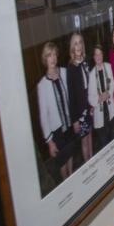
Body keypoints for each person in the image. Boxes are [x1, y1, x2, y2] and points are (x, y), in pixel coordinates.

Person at [36, 41, 74, 180]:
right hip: (56, 131)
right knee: (61, 162)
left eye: (54, 55)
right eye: (49, 55)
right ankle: (67, 182)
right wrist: (49, 142)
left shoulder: (64, 72)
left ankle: (72, 176)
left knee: (70, 154)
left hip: (69, 125)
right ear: (45, 59)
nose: (52, 58)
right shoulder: (42, 85)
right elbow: (43, 116)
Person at [66, 32, 92, 163]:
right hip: (80, 112)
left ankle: (93, 160)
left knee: (90, 137)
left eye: (80, 42)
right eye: (75, 43)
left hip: (89, 108)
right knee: (84, 141)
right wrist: (75, 120)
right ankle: (88, 165)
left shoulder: (86, 62)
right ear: (72, 47)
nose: (78, 46)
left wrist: (92, 105)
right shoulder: (70, 68)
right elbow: (71, 96)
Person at [87, 45, 114, 153]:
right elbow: (90, 97)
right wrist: (98, 98)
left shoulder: (108, 66)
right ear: (94, 57)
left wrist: (108, 93)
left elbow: (113, 82)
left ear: (103, 55)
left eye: (100, 54)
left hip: (110, 111)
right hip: (100, 116)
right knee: (105, 146)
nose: (98, 56)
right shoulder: (91, 75)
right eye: (96, 54)